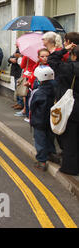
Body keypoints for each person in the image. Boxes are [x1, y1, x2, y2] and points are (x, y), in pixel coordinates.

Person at [48, 43, 79, 176]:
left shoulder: (69, 68)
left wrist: (63, 50)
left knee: (70, 138)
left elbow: (51, 60)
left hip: (72, 107)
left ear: (74, 55)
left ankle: (70, 167)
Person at [29, 67, 59, 172]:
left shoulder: (38, 92)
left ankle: (42, 161)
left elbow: (32, 106)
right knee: (50, 138)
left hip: (39, 120)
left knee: (40, 141)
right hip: (51, 119)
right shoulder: (56, 89)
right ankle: (51, 153)